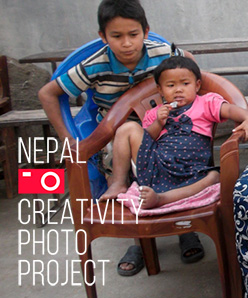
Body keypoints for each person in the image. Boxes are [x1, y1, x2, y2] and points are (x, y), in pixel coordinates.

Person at [37, 0, 198, 277]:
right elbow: (48, 93)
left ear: (145, 31)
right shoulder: (94, 65)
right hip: (116, 135)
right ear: (103, 36)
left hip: (164, 124)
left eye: (133, 35)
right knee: (128, 181)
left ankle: (186, 229)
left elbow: (192, 67)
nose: (126, 43)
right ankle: (138, 241)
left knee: (181, 161)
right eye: (117, 36)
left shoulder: (163, 52)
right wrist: (67, 138)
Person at [107, 56, 248, 275]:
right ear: (160, 90)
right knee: (127, 128)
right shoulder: (155, 113)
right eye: (170, 85)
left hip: (191, 170)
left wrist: (247, 118)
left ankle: (162, 199)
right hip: (157, 166)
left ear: (196, 85)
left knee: (214, 178)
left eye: (185, 84)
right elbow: (146, 141)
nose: (178, 90)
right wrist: (158, 122)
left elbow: (232, 111)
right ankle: (119, 183)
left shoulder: (206, 102)